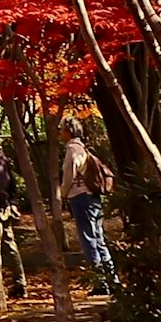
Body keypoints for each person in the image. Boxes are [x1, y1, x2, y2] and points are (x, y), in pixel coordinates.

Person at [57, 111, 119, 286]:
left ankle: (100, 282)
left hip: (80, 197)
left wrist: (63, 193)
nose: (60, 133)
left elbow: (69, 174)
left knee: (88, 239)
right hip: (92, 198)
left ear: (68, 131)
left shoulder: (72, 149)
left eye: (61, 129)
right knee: (98, 237)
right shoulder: (83, 147)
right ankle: (111, 279)